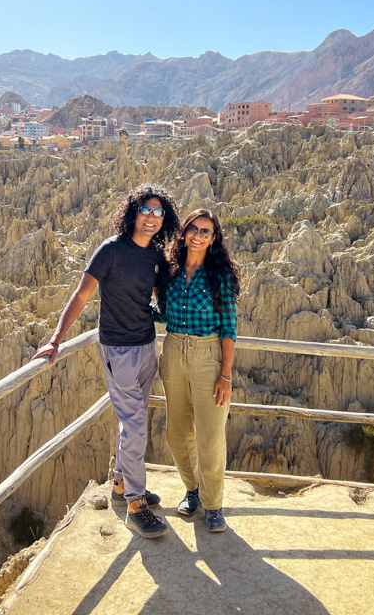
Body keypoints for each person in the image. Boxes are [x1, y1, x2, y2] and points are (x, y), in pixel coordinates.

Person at [33, 184, 180, 539]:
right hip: (118, 350)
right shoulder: (111, 251)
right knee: (135, 426)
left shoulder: (155, 255)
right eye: (146, 209)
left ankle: (120, 483)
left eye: (159, 212)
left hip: (147, 345)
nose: (151, 217)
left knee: (135, 419)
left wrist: (165, 315)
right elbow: (81, 295)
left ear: (165, 219)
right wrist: (55, 339)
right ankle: (135, 503)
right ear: (133, 211)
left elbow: (162, 291)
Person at [155, 208, 240, 532]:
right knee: (177, 433)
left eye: (206, 231)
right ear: (184, 232)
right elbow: (165, 314)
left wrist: (226, 374)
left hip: (209, 355)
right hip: (174, 350)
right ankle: (193, 490)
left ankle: (213, 504)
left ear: (214, 238)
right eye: (194, 229)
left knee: (210, 436)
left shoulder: (220, 274)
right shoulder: (171, 271)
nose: (199, 235)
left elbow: (229, 328)